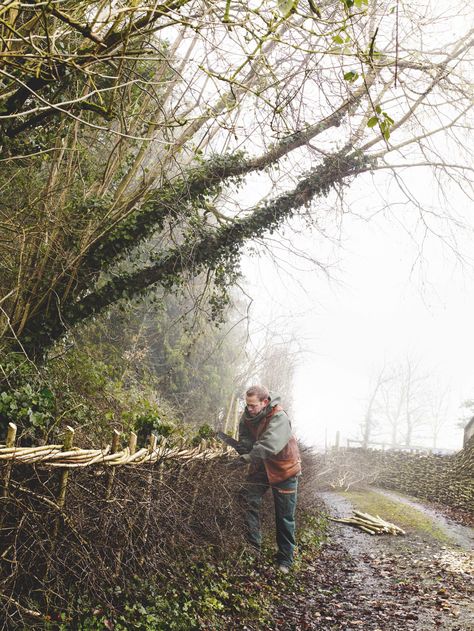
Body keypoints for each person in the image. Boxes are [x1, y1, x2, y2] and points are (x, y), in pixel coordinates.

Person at [237, 385, 301, 573]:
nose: (249, 409)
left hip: (284, 468)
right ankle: (253, 547)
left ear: (265, 403)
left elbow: (269, 445)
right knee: (246, 497)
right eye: (247, 405)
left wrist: (247, 458)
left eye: (253, 406)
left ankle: (285, 559)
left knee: (284, 516)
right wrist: (244, 448)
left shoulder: (279, 417)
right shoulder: (248, 415)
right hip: (263, 466)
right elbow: (246, 436)